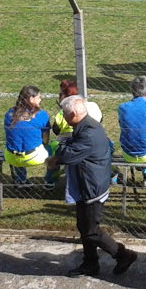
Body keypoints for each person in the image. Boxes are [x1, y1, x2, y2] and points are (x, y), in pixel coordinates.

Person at [51, 94, 138, 277]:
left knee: (91, 231)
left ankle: (123, 255)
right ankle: (90, 263)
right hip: (88, 184)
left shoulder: (88, 133)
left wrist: (59, 146)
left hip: (92, 188)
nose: (63, 117)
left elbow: (67, 155)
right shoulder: (85, 125)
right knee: (84, 227)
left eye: (65, 114)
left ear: (73, 114)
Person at [43, 78, 100, 188]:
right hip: (87, 144)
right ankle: (113, 174)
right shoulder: (92, 108)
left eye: (61, 94)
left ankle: (50, 179)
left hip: (64, 144)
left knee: (53, 151)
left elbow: (56, 130)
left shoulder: (62, 113)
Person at [117, 75, 146, 186]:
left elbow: (122, 124)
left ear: (132, 91)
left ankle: (143, 168)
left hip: (127, 154)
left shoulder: (122, 107)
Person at [2, 85, 50, 185]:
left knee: (18, 145)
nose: (40, 100)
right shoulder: (41, 115)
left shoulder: (9, 113)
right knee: (55, 148)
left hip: (11, 157)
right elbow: (45, 139)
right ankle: (49, 182)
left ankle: (21, 181)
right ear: (31, 99)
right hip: (33, 158)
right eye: (39, 97)